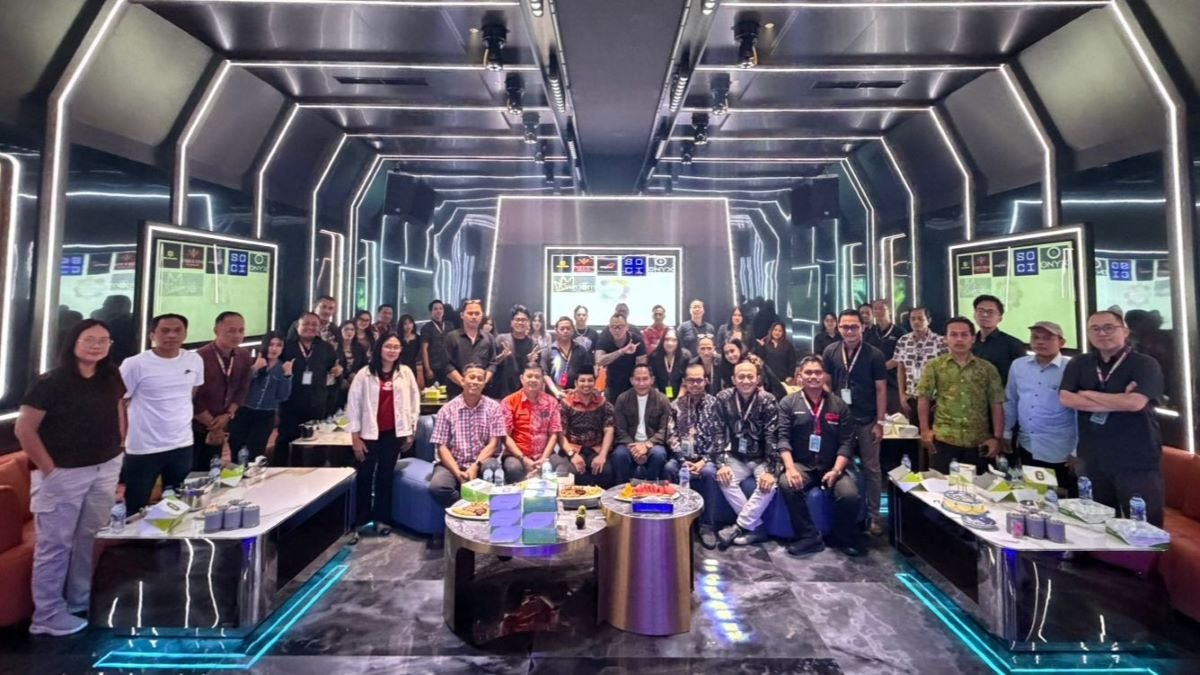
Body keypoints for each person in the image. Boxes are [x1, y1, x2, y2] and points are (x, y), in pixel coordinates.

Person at [16, 320, 125, 636]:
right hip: (63, 473)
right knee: (55, 544)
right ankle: (47, 614)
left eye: (104, 340)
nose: (97, 345)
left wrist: (120, 445)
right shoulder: (50, 382)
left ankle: (79, 600)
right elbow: (25, 429)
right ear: (73, 342)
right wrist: (49, 469)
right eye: (89, 339)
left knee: (90, 537)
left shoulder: (110, 375)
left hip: (105, 467)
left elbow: (119, 409)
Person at [1059, 311, 1166, 526]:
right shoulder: (1079, 363)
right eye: (1095, 329)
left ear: (1125, 331)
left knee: (1144, 527)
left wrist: (1087, 394)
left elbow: (1135, 403)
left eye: (1109, 327)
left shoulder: (1145, 364)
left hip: (1136, 458)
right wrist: (1118, 399)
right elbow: (1066, 399)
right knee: (1097, 524)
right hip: (1092, 458)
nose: (1102, 333)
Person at [775, 356, 865, 558]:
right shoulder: (788, 403)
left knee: (849, 495)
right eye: (808, 372)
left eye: (817, 372)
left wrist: (837, 470)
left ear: (824, 376)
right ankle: (809, 537)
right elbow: (783, 439)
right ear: (800, 376)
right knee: (787, 484)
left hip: (832, 465)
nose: (813, 376)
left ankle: (841, 538)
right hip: (802, 465)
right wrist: (790, 468)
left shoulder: (839, 405)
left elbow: (847, 443)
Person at [119, 314, 205, 514]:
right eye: (165, 331)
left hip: (182, 443)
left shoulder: (194, 360)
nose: (171, 335)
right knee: (136, 503)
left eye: (177, 331)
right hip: (144, 447)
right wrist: (122, 438)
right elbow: (120, 402)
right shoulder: (134, 364)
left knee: (178, 502)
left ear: (185, 334)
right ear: (152, 335)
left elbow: (191, 392)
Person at [346, 334, 420, 535]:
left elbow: (414, 402)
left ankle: (382, 519)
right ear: (380, 348)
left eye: (396, 347)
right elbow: (353, 405)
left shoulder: (405, 372)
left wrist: (410, 431)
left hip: (393, 433)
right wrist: (355, 437)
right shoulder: (364, 374)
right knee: (364, 475)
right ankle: (361, 519)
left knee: (386, 476)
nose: (392, 350)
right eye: (388, 346)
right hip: (368, 433)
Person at [822, 309, 887, 536]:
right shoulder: (830, 351)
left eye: (854, 327)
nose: (849, 331)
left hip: (867, 419)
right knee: (841, 465)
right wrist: (832, 407)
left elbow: (881, 389)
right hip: (840, 420)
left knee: (871, 468)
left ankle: (874, 516)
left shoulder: (875, 354)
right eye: (845, 327)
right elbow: (826, 383)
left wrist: (880, 422)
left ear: (863, 328)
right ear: (838, 327)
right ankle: (849, 513)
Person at [917, 317, 1005, 475]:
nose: (959, 339)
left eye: (964, 335)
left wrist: (997, 438)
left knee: (978, 488)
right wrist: (924, 430)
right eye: (953, 334)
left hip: (978, 442)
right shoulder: (934, 366)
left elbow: (996, 403)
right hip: (944, 438)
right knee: (940, 487)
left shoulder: (987, 369)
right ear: (945, 339)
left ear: (973, 339)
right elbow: (923, 398)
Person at [1003, 322, 1077, 492]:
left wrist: (1076, 451)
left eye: (1048, 338)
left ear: (1061, 342)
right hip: (1028, 445)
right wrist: (1006, 433)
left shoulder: (1072, 368)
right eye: (1035, 337)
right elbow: (1011, 400)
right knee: (1033, 495)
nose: (1040, 342)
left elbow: (1080, 413)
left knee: (1062, 499)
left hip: (1061, 450)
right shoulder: (1018, 365)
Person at [713, 360, 780, 549]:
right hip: (737, 457)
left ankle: (739, 526)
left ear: (758, 379)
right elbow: (718, 432)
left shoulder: (767, 400)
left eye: (750, 376)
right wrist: (721, 464)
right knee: (723, 478)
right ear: (733, 379)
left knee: (769, 485)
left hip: (762, 458)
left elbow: (772, 437)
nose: (746, 381)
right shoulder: (723, 398)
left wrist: (771, 471)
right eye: (741, 377)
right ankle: (756, 527)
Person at [428, 363, 506, 507]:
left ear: (484, 384)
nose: (475, 382)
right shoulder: (447, 410)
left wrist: (475, 467)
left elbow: (493, 444)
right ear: (463, 381)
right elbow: (441, 447)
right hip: (453, 463)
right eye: (472, 377)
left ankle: (485, 511)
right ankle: (465, 507)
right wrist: (458, 473)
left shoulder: (494, 408)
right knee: (438, 487)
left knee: (493, 471)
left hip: (482, 461)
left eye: (480, 379)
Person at [666, 361, 722, 549]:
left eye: (699, 380)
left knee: (709, 473)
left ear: (706, 381)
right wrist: (683, 461)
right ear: (685, 382)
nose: (695, 384)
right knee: (669, 468)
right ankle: (677, 519)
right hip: (681, 458)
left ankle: (706, 526)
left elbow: (720, 436)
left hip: (706, 458)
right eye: (691, 380)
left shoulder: (716, 405)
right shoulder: (676, 405)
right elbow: (671, 436)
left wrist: (703, 461)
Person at [278, 312, 341, 466]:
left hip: (316, 401)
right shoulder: (286, 346)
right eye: (306, 324)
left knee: (316, 441)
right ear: (297, 326)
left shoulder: (325, 347)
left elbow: (335, 367)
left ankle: (315, 470)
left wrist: (338, 370)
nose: (310, 327)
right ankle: (280, 469)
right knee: (286, 438)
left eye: (314, 325)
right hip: (291, 401)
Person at [192, 311, 252, 471]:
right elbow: (193, 397)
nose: (237, 335)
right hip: (196, 425)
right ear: (216, 331)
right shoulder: (199, 357)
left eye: (241, 330)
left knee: (213, 469)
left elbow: (242, 389)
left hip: (223, 421)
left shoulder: (243, 355)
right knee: (194, 471)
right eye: (231, 331)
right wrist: (213, 425)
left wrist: (229, 414)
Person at [227, 332, 292, 462]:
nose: (274, 349)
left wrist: (287, 375)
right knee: (236, 445)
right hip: (244, 411)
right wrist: (254, 369)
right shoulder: (253, 362)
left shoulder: (283, 367)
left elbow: (283, 396)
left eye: (278, 345)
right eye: (271, 344)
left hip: (265, 415)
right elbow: (239, 386)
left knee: (256, 450)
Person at [499, 365, 563, 484]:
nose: (533, 380)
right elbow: (505, 436)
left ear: (543, 380)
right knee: (514, 468)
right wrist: (523, 459)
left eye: (537, 377)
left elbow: (554, 434)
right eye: (529, 376)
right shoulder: (509, 402)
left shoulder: (551, 402)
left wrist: (543, 459)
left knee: (562, 467)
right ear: (522, 378)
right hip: (517, 455)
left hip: (545, 454)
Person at [554, 365, 616, 488]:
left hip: (596, 448)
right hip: (573, 448)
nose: (586, 384)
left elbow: (609, 429)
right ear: (576, 383)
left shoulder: (603, 402)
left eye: (590, 380)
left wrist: (602, 455)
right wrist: (572, 455)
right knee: (573, 473)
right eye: (582, 381)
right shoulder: (566, 403)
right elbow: (560, 434)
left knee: (606, 471)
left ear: (594, 382)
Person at [610, 364, 671, 483]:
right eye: (637, 379)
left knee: (659, 454)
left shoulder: (662, 400)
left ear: (652, 380)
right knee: (619, 455)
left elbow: (665, 429)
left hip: (653, 443)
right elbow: (620, 429)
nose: (641, 383)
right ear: (631, 380)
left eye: (645, 379)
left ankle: (651, 488)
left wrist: (647, 445)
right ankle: (622, 488)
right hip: (629, 443)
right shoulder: (622, 399)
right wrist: (635, 449)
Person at [894, 307, 947, 425]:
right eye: (912, 319)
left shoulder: (940, 342)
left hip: (934, 399)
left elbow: (947, 372)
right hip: (911, 397)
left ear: (929, 320)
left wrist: (942, 398)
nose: (916, 322)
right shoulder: (903, 341)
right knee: (914, 433)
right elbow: (901, 368)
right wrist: (902, 395)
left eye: (920, 319)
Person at [443, 299, 497, 399]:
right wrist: (464, 383)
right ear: (462, 315)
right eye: (470, 313)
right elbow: (447, 365)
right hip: (457, 391)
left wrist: (481, 383)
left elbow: (492, 363)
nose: (474, 316)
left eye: (477, 313)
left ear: (482, 315)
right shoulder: (451, 337)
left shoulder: (489, 338)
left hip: (483, 392)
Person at [971, 294, 1026, 386]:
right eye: (980, 311)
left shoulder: (1013, 344)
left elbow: (1022, 377)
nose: (985, 315)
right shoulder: (969, 342)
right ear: (974, 315)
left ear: (1000, 318)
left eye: (990, 312)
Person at [594, 313, 646, 403]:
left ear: (627, 327)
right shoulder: (605, 338)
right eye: (613, 327)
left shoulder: (636, 340)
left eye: (620, 327)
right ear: (609, 328)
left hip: (632, 384)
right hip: (612, 383)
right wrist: (621, 351)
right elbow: (599, 361)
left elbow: (642, 366)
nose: (617, 330)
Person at [867, 299, 907, 414]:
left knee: (897, 417)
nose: (878, 311)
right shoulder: (870, 333)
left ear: (889, 310)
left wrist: (881, 368)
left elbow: (901, 357)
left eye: (882, 308)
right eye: (875, 309)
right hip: (873, 383)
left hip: (894, 383)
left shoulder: (900, 332)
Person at [492, 305, 538, 399]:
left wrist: (532, 362)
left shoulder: (533, 343)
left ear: (528, 323)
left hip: (525, 393)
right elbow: (491, 363)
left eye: (523, 320)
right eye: (517, 319)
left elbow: (537, 370)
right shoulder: (501, 339)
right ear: (511, 322)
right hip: (502, 391)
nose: (520, 322)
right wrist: (502, 356)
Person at [542, 316, 590, 400]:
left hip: (576, 396)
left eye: (568, 328)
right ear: (556, 330)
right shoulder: (548, 351)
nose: (565, 331)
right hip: (553, 396)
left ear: (573, 330)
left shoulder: (581, 350)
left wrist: (578, 389)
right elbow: (545, 374)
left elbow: (587, 372)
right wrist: (556, 391)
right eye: (562, 329)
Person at [332, 319, 368, 412]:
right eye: (346, 329)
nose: (349, 332)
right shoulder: (334, 346)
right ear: (340, 331)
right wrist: (342, 379)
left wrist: (356, 375)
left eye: (352, 329)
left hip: (355, 382)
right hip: (337, 383)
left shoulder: (360, 347)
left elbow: (365, 365)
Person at [649, 327, 689, 399]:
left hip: (681, 396)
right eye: (667, 339)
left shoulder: (685, 356)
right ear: (662, 341)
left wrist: (679, 399)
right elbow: (652, 380)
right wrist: (660, 398)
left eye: (674, 340)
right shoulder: (654, 357)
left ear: (678, 342)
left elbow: (686, 380)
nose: (670, 343)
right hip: (658, 397)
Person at [420, 299, 451, 387]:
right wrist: (427, 369)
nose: (439, 311)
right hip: (433, 366)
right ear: (431, 312)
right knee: (433, 392)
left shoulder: (450, 325)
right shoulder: (426, 328)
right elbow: (424, 349)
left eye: (441, 308)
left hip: (448, 366)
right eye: (435, 309)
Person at [396, 314, 425, 390]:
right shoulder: (397, 338)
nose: (408, 326)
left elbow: (421, 353)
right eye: (405, 324)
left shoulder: (419, 338)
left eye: (410, 323)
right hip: (401, 367)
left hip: (416, 367)